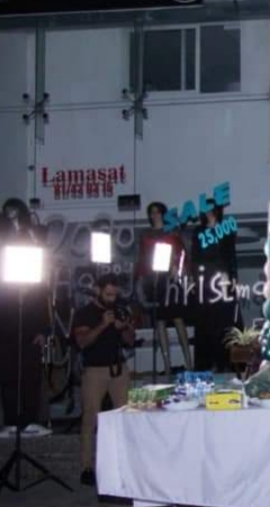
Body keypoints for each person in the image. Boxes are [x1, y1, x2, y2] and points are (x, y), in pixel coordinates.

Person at [73, 274, 134, 487]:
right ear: (98, 290)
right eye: (108, 294)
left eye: (114, 294)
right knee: (90, 419)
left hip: (118, 368)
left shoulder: (121, 309)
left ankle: (125, 463)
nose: (112, 298)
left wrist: (123, 327)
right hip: (94, 370)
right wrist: (102, 325)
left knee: (125, 416)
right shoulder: (84, 313)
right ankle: (87, 467)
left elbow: (130, 341)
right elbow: (82, 342)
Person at [0, 198, 51, 437]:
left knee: (30, 373)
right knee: (8, 372)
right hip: (6, 317)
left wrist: (43, 328)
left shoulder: (32, 238)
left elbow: (41, 290)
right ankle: (11, 420)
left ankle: (30, 418)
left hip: (29, 317)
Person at [136, 202, 191, 374]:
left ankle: (189, 363)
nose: (155, 215)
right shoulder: (146, 235)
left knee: (178, 318)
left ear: (163, 214)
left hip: (171, 279)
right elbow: (142, 259)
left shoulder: (172, 232)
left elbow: (182, 254)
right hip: (154, 280)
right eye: (152, 212)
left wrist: (179, 269)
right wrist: (140, 281)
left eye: (158, 212)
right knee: (160, 321)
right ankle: (167, 366)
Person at [191, 201, 239, 372]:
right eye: (206, 209)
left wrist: (234, 279)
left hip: (223, 280)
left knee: (224, 321)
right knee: (206, 322)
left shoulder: (226, 229)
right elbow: (195, 258)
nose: (208, 211)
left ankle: (225, 362)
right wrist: (194, 280)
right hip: (205, 282)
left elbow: (231, 255)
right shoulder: (198, 232)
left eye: (211, 208)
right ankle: (205, 363)